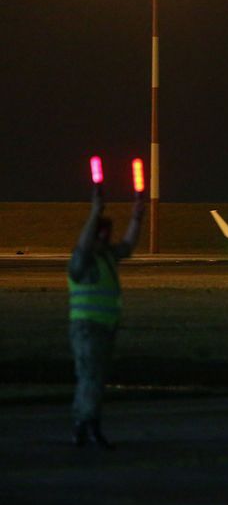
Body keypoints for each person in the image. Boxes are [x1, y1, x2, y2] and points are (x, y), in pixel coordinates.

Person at [68, 185, 144, 448]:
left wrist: (137, 217)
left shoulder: (108, 257)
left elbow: (128, 245)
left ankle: (86, 425)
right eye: (102, 235)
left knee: (94, 379)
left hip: (104, 329)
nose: (107, 239)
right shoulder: (82, 262)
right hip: (87, 329)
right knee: (90, 378)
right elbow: (83, 244)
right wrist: (94, 212)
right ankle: (87, 426)